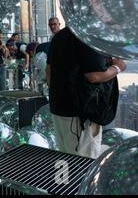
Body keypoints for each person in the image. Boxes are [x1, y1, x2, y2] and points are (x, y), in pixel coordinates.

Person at [46, 27, 126, 159]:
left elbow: (48, 70)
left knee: (65, 159)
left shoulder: (60, 35)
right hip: (81, 116)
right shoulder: (87, 35)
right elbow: (94, 76)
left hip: (59, 109)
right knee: (83, 165)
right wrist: (118, 67)